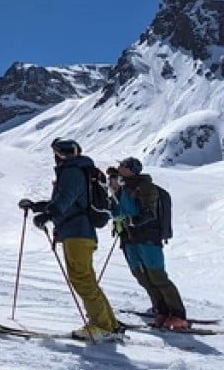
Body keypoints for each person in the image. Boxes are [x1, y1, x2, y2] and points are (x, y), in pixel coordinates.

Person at [19, 138, 122, 341]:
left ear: (61, 154)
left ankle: (102, 326)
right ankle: (109, 324)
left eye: (56, 153)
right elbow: (68, 200)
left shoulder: (71, 171)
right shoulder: (79, 170)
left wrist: (47, 216)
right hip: (81, 233)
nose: (55, 158)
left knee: (82, 280)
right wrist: (37, 206)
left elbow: (64, 201)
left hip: (77, 233)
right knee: (87, 280)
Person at [114, 156, 189, 330]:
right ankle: (161, 310)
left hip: (147, 237)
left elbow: (150, 212)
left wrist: (133, 221)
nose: (120, 168)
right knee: (142, 276)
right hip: (129, 238)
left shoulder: (145, 186)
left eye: (123, 165)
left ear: (132, 169)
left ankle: (178, 315)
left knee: (157, 276)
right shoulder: (123, 188)